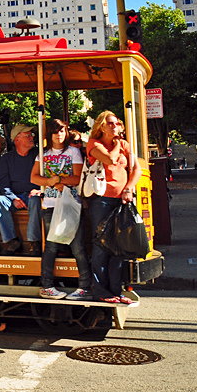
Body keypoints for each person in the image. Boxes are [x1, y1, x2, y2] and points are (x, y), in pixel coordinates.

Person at [30, 119, 91, 301]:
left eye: (62, 131)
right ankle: (47, 286)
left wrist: (58, 180)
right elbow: (34, 177)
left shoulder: (73, 152)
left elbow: (77, 178)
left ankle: (84, 286)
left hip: (70, 204)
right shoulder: (43, 154)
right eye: (56, 131)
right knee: (51, 247)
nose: (59, 135)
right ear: (49, 134)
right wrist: (49, 182)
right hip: (49, 205)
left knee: (78, 246)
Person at [85, 111, 141, 303]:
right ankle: (101, 291)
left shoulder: (125, 145)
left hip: (121, 200)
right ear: (101, 126)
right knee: (101, 246)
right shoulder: (94, 144)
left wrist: (129, 188)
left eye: (117, 123)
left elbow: (136, 170)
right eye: (110, 123)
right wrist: (117, 143)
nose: (115, 126)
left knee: (118, 247)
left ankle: (116, 291)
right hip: (101, 200)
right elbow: (109, 159)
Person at [0, 124, 41, 256]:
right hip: (14, 197)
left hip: (33, 195)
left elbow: (45, 177)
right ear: (17, 139)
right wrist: (13, 198)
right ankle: (12, 241)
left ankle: (34, 242)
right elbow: (3, 184)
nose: (32, 138)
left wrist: (39, 190)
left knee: (36, 200)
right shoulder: (6, 159)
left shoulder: (38, 155)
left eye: (32, 135)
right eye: (28, 135)